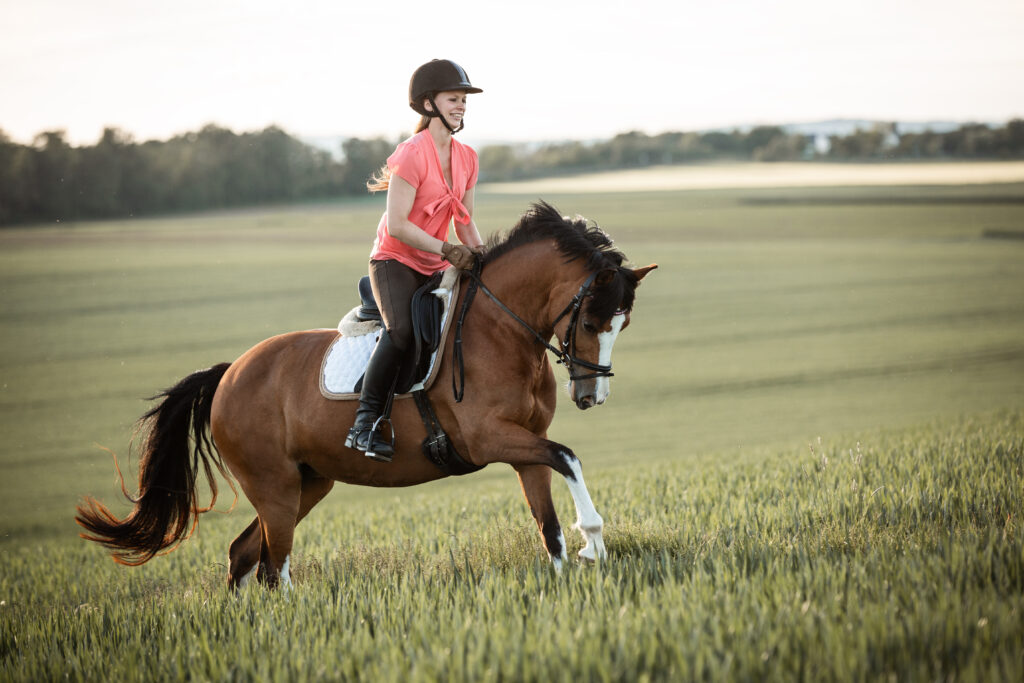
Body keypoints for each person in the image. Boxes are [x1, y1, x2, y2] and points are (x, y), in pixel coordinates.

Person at [346, 59, 486, 462]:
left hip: (434, 262)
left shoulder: (468, 157)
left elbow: (466, 222)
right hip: (394, 260)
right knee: (402, 332)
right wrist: (447, 251)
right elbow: (398, 226)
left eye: (463, 100)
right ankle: (364, 421)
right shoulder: (410, 153)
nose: (461, 106)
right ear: (428, 104)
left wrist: (482, 258)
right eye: (453, 99)